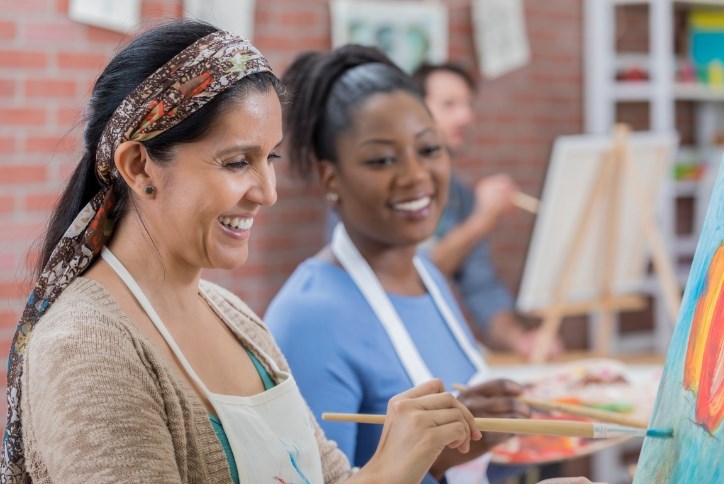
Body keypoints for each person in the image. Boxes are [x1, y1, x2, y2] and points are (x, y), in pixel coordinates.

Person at [0, 21, 484, 484]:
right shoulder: (85, 348)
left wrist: (400, 456)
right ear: (139, 166)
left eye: (269, 157)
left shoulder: (234, 318)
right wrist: (384, 475)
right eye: (237, 162)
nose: (267, 191)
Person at [266, 45, 533, 484]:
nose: (415, 176)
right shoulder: (311, 317)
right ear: (331, 178)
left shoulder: (429, 278)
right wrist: (436, 455)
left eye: (429, 149)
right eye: (383, 159)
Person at [410, 63, 562, 359]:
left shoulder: (462, 198)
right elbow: (405, 279)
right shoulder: (379, 190)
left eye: (468, 105)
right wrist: (480, 222)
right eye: (449, 104)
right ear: (413, 110)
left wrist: (520, 339)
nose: (466, 116)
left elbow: (483, 292)